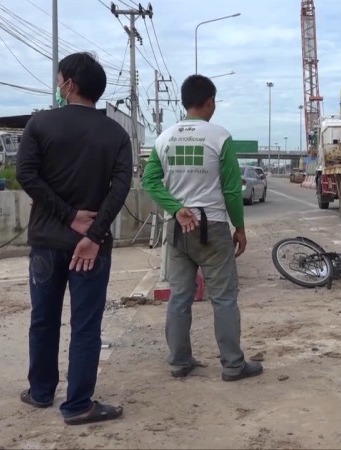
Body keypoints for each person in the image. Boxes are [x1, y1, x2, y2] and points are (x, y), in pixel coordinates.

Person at [16, 52, 133, 425]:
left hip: (46, 243)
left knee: (44, 319)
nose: (59, 83)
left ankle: (40, 392)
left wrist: (67, 217)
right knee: (86, 325)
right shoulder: (115, 134)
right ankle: (78, 404)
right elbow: (121, 188)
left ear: (70, 84)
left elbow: (27, 176)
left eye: (60, 78)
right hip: (92, 250)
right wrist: (93, 234)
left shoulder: (40, 124)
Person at [141, 74, 263, 382]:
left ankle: (179, 361)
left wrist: (176, 208)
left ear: (184, 102)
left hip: (177, 230)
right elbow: (233, 190)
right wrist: (241, 228)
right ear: (209, 101)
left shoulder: (163, 138)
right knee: (223, 298)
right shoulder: (219, 136)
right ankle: (233, 365)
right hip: (213, 228)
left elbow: (150, 182)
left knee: (180, 296)